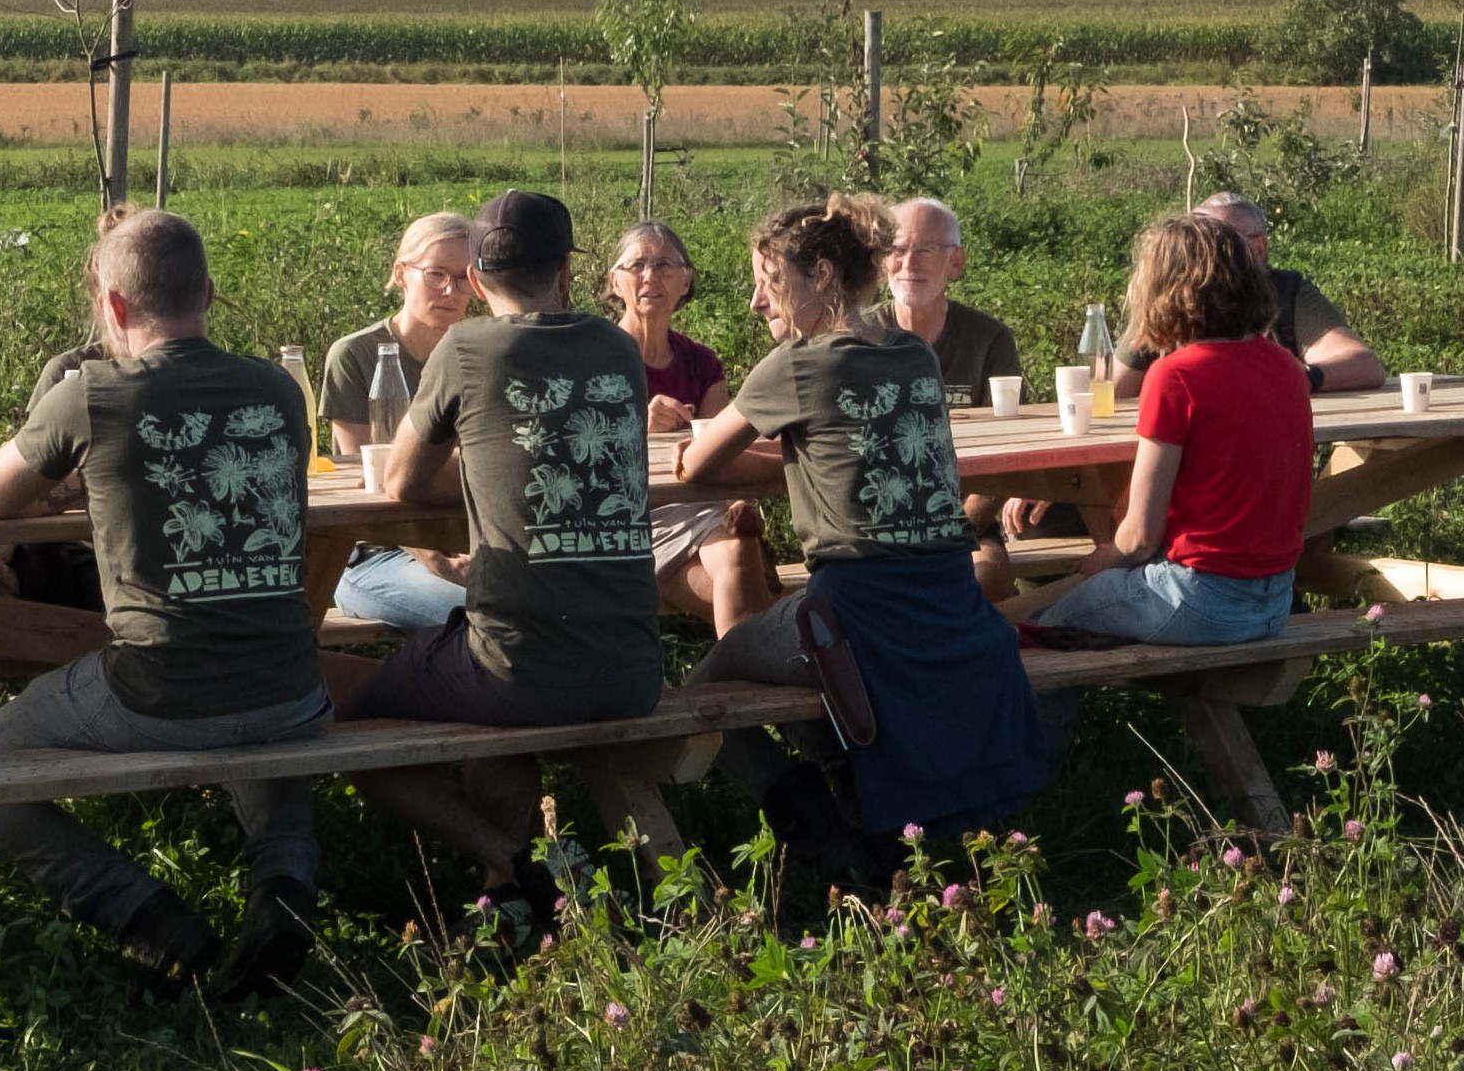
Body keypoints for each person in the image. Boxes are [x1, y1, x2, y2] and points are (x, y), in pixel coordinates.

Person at [0, 211, 333, 997]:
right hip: (294, 686)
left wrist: (67, 486)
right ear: (209, 293)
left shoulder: (92, 392)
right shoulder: (275, 389)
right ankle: (283, 890)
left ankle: (154, 922)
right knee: (262, 705)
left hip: (158, 691)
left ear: (114, 305)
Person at [681, 196, 1054, 928]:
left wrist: (765, 447)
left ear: (822, 274)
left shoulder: (794, 364)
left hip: (855, 611)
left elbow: (699, 464)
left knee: (706, 687)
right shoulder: (913, 354)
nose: (758, 301)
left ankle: (825, 839)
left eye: (768, 280)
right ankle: (860, 806)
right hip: (947, 601)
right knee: (819, 678)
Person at [358, 190, 666, 936]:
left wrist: (486, 469)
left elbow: (400, 482)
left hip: (516, 669)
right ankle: (509, 891)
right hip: (635, 670)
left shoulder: (465, 349)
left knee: (351, 726)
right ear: (566, 272)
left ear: (474, 278)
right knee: (490, 675)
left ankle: (513, 861)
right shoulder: (616, 348)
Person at [1018, 213, 1313, 645]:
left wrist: (1104, 563)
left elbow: (1139, 536)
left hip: (1198, 600)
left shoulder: (1176, 375)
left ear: (1162, 290)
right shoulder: (1286, 366)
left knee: (1038, 631)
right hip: (1275, 602)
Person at [603, 221, 775, 633]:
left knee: (737, 554)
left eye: (664, 265)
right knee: (751, 584)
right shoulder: (594, 358)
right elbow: (580, 458)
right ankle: (756, 658)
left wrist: (738, 502)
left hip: (701, 508)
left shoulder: (702, 363)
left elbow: (720, 450)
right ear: (615, 281)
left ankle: (744, 662)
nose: (650, 276)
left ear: (685, 281)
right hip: (632, 518)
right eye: (637, 265)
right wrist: (639, 428)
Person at [318, 212, 486, 631]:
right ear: (401, 274)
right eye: (435, 274)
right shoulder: (355, 355)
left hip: (475, 542)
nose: (450, 290)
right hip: (378, 553)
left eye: (463, 277)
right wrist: (432, 556)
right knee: (485, 620)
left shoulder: (483, 354)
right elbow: (371, 482)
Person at [874, 197, 1034, 602]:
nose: (909, 263)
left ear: (956, 262)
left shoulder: (989, 340)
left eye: (926, 250)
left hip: (965, 524)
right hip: (875, 529)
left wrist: (949, 534)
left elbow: (1009, 452)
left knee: (984, 580)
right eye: (897, 250)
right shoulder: (855, 340)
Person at [1195, 193, 1392, 393]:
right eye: (1195, 241)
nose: (1206, 252)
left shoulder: (1287, 292)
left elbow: (1364, 365)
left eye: (1223, 241)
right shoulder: (1180, 298)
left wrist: (1300, 377)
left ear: (1259, 248)